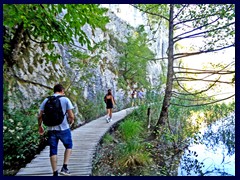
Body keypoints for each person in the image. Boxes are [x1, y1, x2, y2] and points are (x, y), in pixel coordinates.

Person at [38, 84, 75, 176]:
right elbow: (71, 115)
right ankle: (64, 168)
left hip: (51, 129)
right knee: (69, 146)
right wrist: (71, 121)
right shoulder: (65, 99)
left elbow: (40, 116)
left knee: (53, 150)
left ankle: (55, 172)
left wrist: (40, 126)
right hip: (64, 128)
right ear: (62, 90)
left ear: (54, 91)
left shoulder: (46, 100)